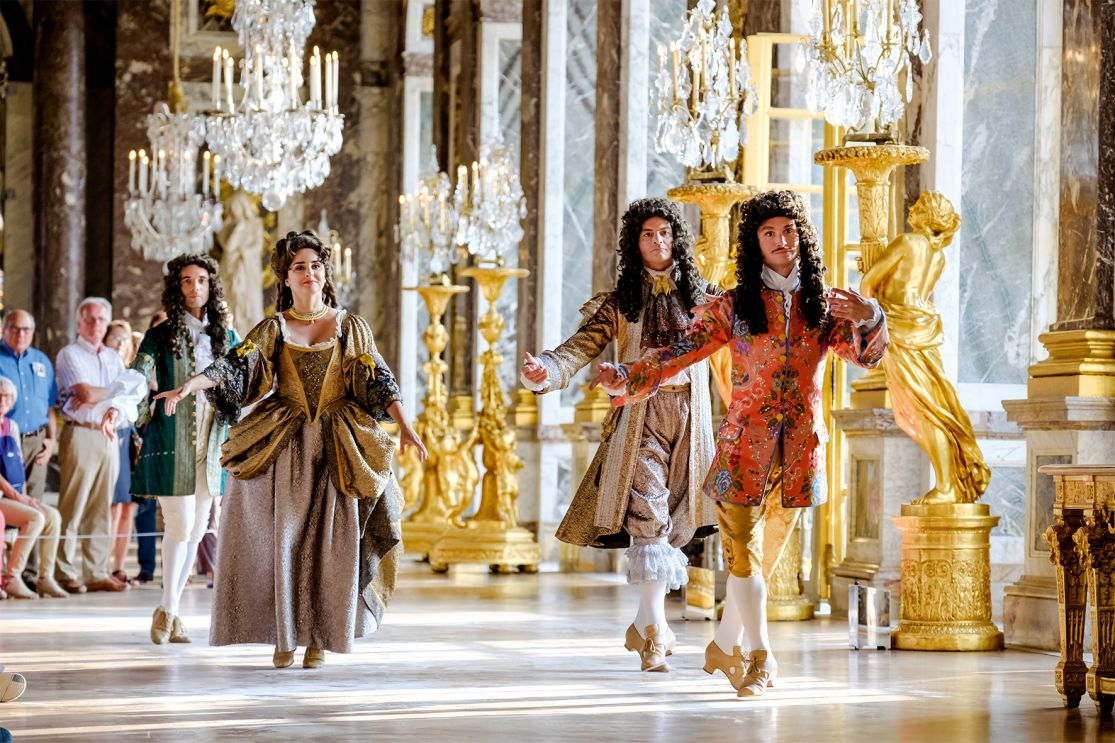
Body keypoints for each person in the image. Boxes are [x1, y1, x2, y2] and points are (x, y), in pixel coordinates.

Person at [592, 191, 889, 697]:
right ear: (755, 242)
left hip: (801, 454)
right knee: (746, 562)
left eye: (788, 231)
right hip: (739, 453)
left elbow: (868, 358)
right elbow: (680, 352)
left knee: (760, 566)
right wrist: (626, 375)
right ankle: (759, 657)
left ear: (803, 237)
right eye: (769, 233)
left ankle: (724, 645)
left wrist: (869, 314)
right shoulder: (734, 305)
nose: (780, 241)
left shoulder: (826, 303)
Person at [157, 231, 426, 668]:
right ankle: (285, 635)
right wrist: (192, 384)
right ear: (285, 277)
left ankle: (321, 636)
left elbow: (379, 379)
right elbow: (234, 365)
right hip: (287, 444)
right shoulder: (274, 327)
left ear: (325, 273)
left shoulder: (350, 325)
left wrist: (406, 427)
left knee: (329, 545)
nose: (309, 273)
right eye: (299, 267)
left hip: (339, 445)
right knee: (286, 539)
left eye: (315, 265)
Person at [520, 198, 718, 673]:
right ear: (635, 243)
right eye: (648, 235)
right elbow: (576, 349)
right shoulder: (619, 303)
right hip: (640, 420)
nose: (658, 242)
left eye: (666, 233)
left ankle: (644, 623)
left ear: (679, 240)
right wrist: (543, 370)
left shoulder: (707, 298)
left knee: (676, 520)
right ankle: (654, 631)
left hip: (693, 421)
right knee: (647, 514)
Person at [131, 254, 239, 644]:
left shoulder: (227, 337)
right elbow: (138, 374)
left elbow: (247, 379)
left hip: (214, 441)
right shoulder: (161, 335)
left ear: (212, 287)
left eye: (202, 281)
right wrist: (121, 407)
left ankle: (170, 611)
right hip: (171, 438)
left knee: (196, 529)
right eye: (187, 281)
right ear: (177, 288)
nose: (195, 288)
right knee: (177, 524)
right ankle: (167, 609)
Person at [53, 297, 147, 593]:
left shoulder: (113, 357)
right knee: (74, 504)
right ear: (80, 322)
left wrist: (104, 394)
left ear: (107, 323)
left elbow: (130, 395)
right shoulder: (69, 354)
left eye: (101, 320)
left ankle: (95, 572)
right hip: (80, 432)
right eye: (90, 319)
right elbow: (83, 391)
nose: (96, 325)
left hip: (110, 434)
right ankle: (65, 571)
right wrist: (116, 390)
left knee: (101, 508)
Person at [0, 310, 67, 597]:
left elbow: (50, 407)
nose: (21, 334)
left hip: (36, 440)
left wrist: (52, 440)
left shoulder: (41, 361)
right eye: (15, 328)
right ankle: (8, 574)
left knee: (36, 505)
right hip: (5, 438)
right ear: (5, 329)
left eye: (27, 329)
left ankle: (33, 575)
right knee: (20, 509)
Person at [104, 321, 140, 586]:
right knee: (113, 506)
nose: (119, 343)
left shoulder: (133, 372)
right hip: (112, 436)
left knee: (129, 506)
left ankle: (118, 567)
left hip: (132, 440)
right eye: (115, 338)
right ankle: (102, 566)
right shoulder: (105, 369)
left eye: (124, 339)